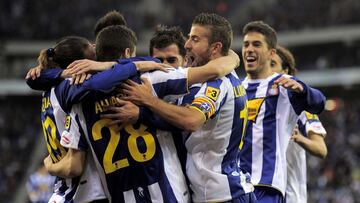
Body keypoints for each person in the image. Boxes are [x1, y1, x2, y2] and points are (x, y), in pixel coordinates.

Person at [35, 23, 240, 202]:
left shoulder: (78, 104)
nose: (163, 64)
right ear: (128, 53)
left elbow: (74, 163)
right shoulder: (150, 79)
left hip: (117, 194)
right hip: (169, 191)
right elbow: (210, 75)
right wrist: (232, 56)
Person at [118, 13, 256, 203]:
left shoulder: (216, 83)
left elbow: (190, 120)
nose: (188, 44)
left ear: (215, 48)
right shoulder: (218, 76)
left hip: (222, 194)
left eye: (195, 39)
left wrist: (149, 101)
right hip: (220, 190)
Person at [239, 21, 326, 203]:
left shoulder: (286, 88)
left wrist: (303, 89)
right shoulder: (236, 89)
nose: (249, 49)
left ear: (271, 54)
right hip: (236, 185)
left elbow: (319, 103)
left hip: (269, 187)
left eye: (256, 44)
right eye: (246, 44)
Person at [29, 36, 108, 203]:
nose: (96, 58)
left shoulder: (49, 90)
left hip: (64, 190)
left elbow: (33, 79)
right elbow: (74, 167)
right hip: (87, 190)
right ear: (79, 64)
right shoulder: (72, 87)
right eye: (92, 56)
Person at [270, 45, 327, 203]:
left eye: (273, 64)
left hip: (290, 196)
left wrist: (298, 138)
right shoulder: (255, 105)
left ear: (286, 72)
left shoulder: (300, 109)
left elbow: (321, 149)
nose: (268, 70)